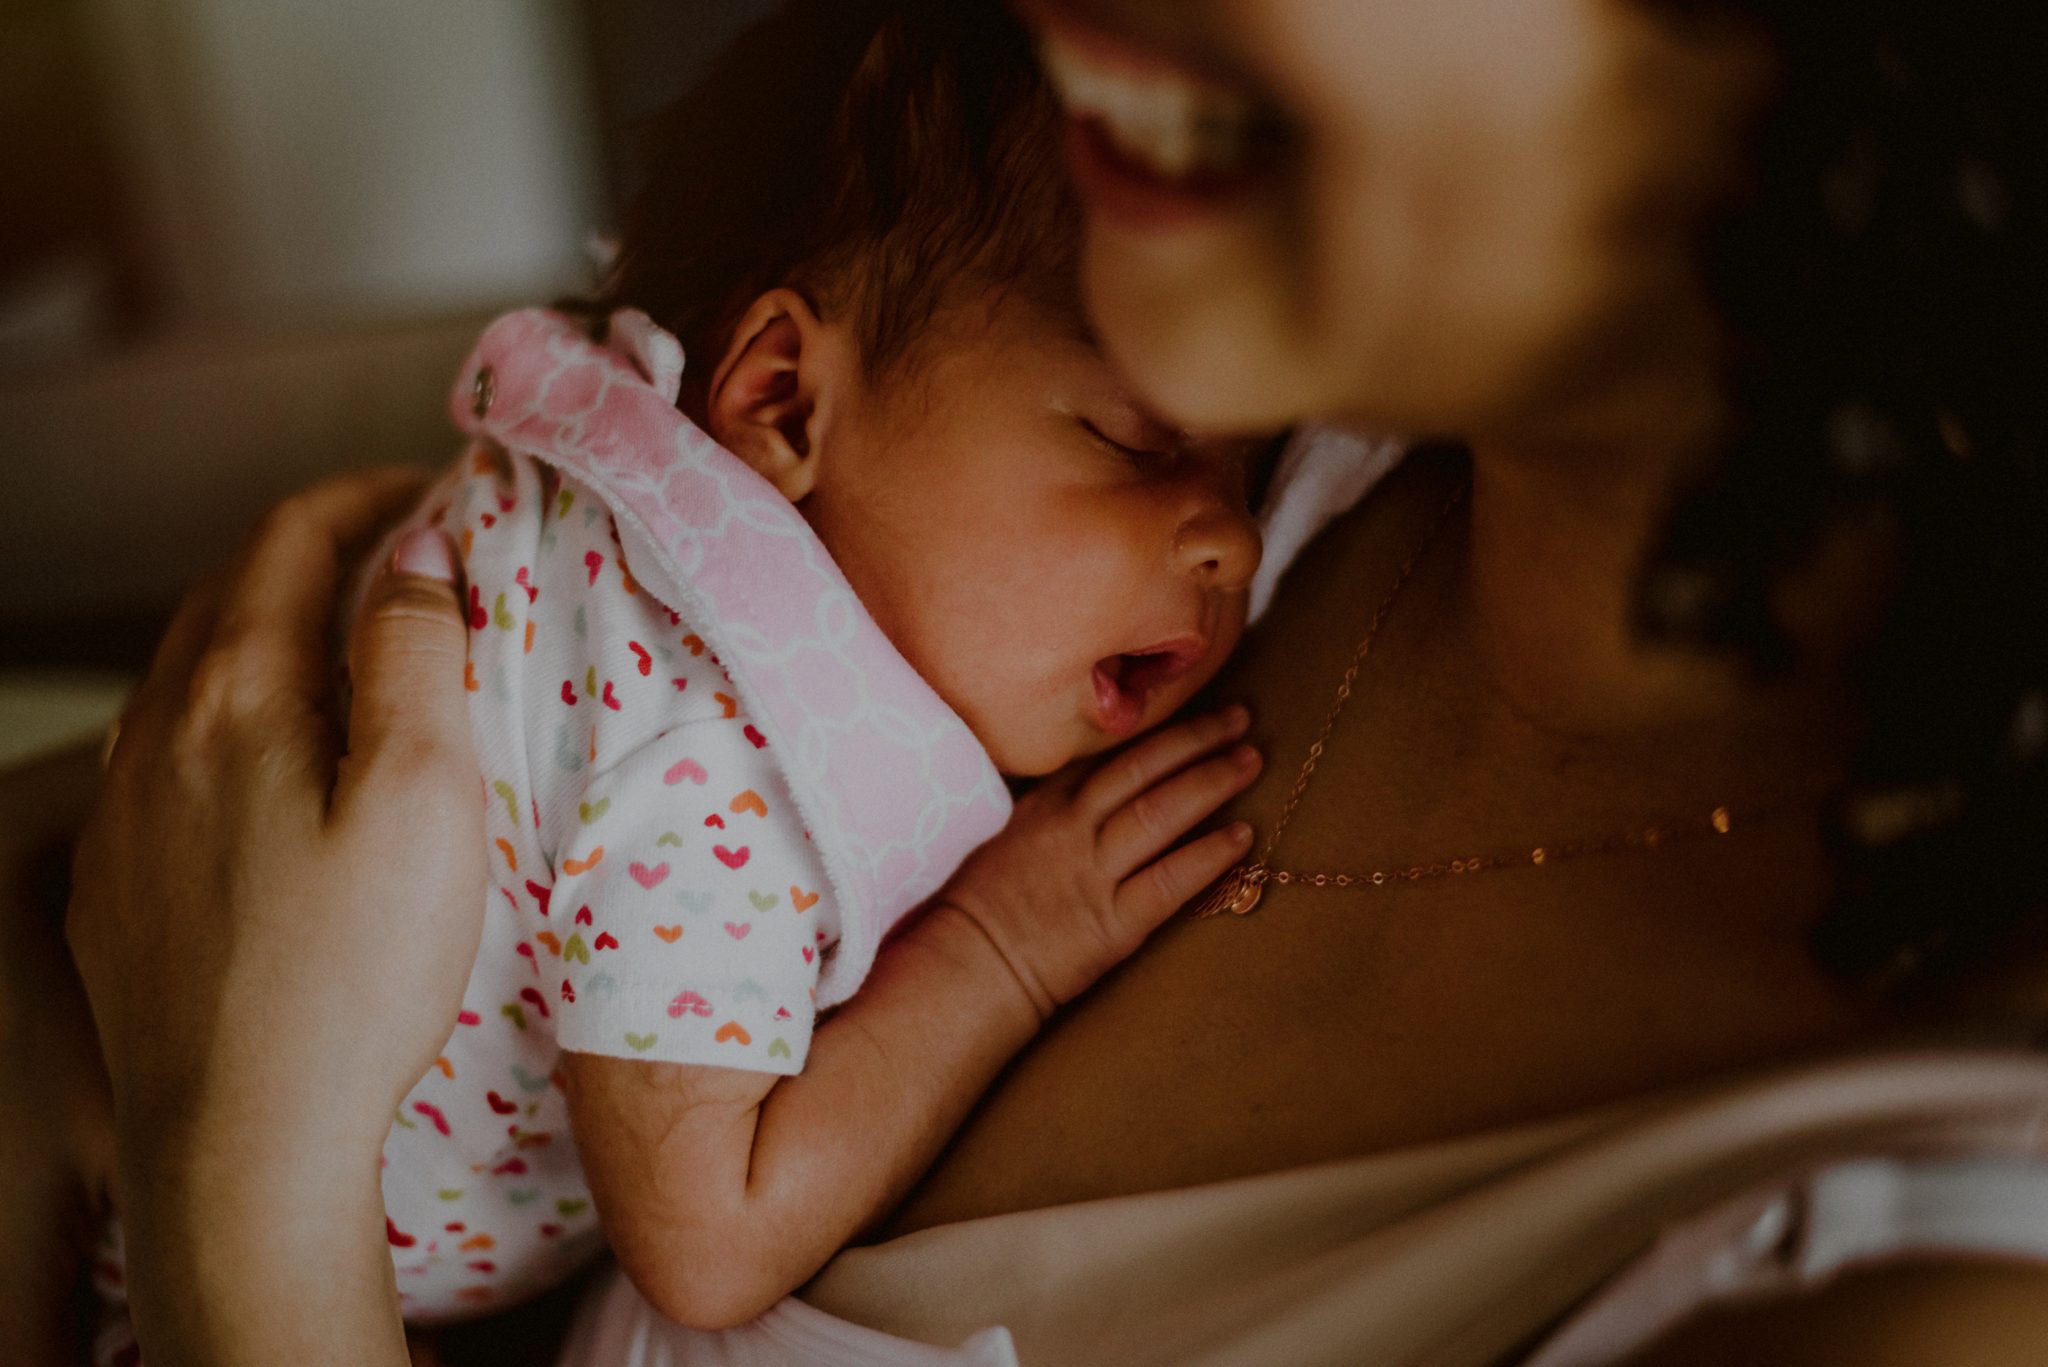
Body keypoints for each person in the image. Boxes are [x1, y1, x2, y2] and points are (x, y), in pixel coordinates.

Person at [51, 0, 2048, 1362]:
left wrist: (246, 1185)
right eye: (1136, 446)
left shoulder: (1915, 1281)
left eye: (1194, 469)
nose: (1211, 527)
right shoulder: (1246, 355)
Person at [79, 5, 1279, 1344]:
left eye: (1253, 471)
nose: (1233, 536)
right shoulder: (712, 762)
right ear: (781, 400)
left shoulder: (627, 496)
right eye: (1135, 441)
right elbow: (707, 1238)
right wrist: (1003, 953)